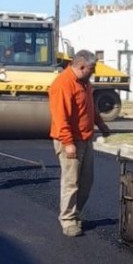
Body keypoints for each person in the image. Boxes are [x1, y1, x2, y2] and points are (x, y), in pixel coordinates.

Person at [48, 50, 111, 237]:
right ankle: (67, 220)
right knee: (71, 182)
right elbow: (61, 118)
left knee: (86, 181)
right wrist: (68, 143)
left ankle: (75, 214)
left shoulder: (84, 83)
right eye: (92, 69)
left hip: (85, 139)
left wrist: (100, 123)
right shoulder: (63, 84)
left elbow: (89, 107)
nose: (94, 72)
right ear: (82, 66)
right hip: (70, 141)